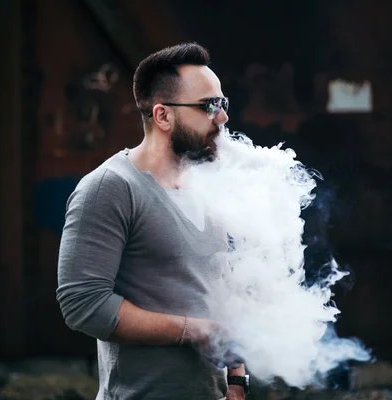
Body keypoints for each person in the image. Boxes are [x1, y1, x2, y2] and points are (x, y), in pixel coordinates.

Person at [56, 42, 249, 400]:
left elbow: (224, 286)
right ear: (162, 116)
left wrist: (237, 379)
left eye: (223, 104)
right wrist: (194, 331)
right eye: (209, 106)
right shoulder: (109, 189)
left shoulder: (210, 186)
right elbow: (82, 304)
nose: (222, 117)